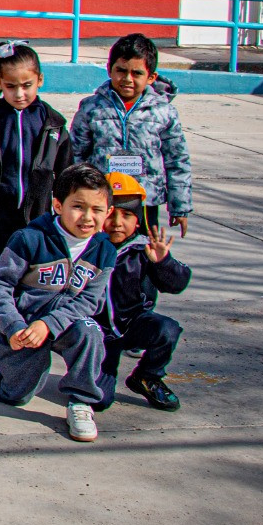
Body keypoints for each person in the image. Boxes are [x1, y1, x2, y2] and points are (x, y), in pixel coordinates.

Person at [0, 163, 116, 443]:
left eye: (97, 210)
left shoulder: (104, 250)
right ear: (57, 204)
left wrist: (49, 324)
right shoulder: (29, 239)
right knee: (16, 396)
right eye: (78, 206)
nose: (87, 217)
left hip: (65, 324)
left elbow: (90, 300)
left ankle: (80, 401)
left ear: (108, 213)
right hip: (24, 327)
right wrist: (13, 326)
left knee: (90, 331)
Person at [0, 40, 73, 352]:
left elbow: (66, 173)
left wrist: (66, 213)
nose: (19, 94)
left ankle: (31, 328)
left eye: (27, 85)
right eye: (10, 86)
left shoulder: (53, 124)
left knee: (34, 275)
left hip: (38, 218)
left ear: (40, 80)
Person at [69, 33, 192, 237]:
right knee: (99, 257)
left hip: (146, 200)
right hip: (102, 199)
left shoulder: (164, 112)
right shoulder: (91, 108)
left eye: (136, 73)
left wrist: (180, 206)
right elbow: (76, 154)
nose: (127, 79)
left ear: (151, 77)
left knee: (143, 256)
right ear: (109, 69)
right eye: (121, 71)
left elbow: (177, 160)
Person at [95, 172, 187, 412]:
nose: (117, 222)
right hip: (97, 334)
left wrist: (163, 262)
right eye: (110, 214)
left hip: (134, 324)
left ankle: (147, 376)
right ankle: (88, 373)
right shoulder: (86, 247)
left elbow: (176, 284)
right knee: (99, 400)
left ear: (138, 220)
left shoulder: (144, 249)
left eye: (126, 215)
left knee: (167, 329)